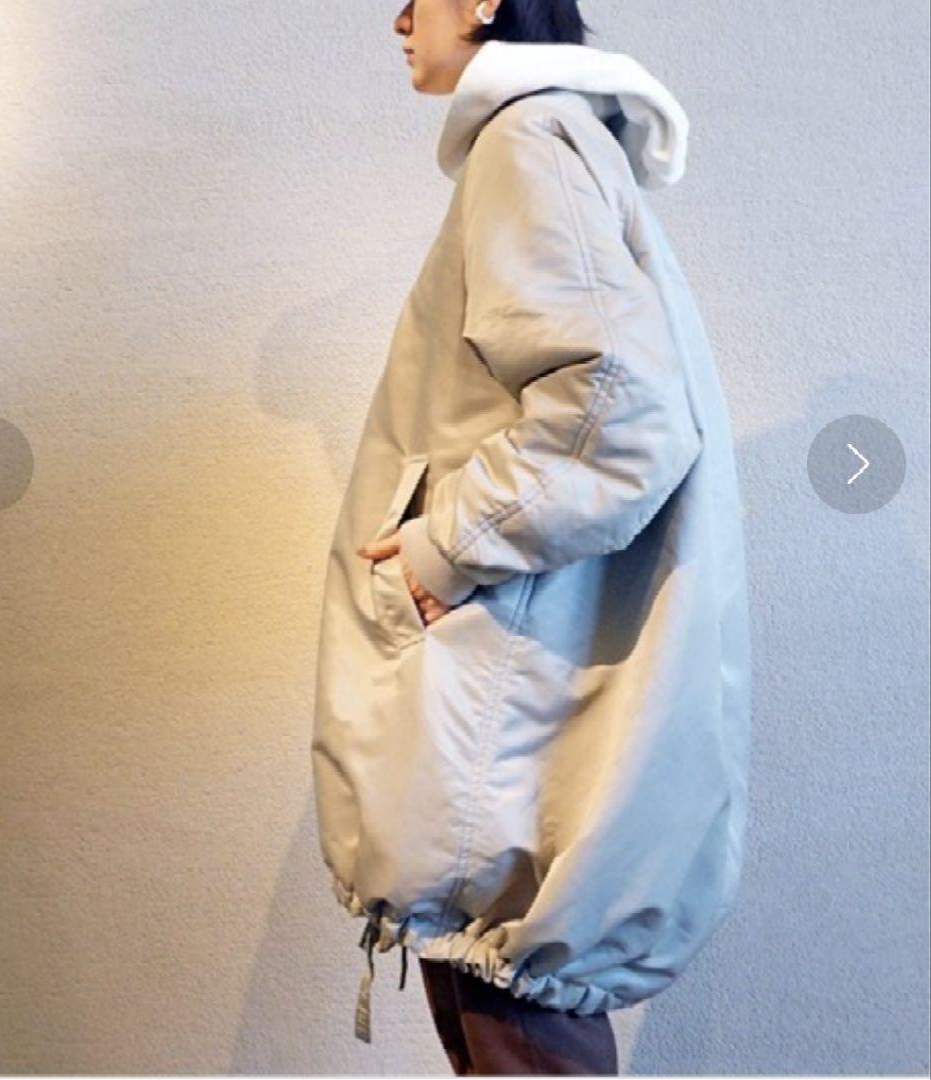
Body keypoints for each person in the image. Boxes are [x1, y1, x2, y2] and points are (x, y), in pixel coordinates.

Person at [310, 0, 752, 1074]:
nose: (398, 19)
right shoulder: (546, 142)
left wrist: (446, 545)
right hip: (506, 743)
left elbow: (620, 409)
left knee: (520, 1035)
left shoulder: (527, 142)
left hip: (501, 757)